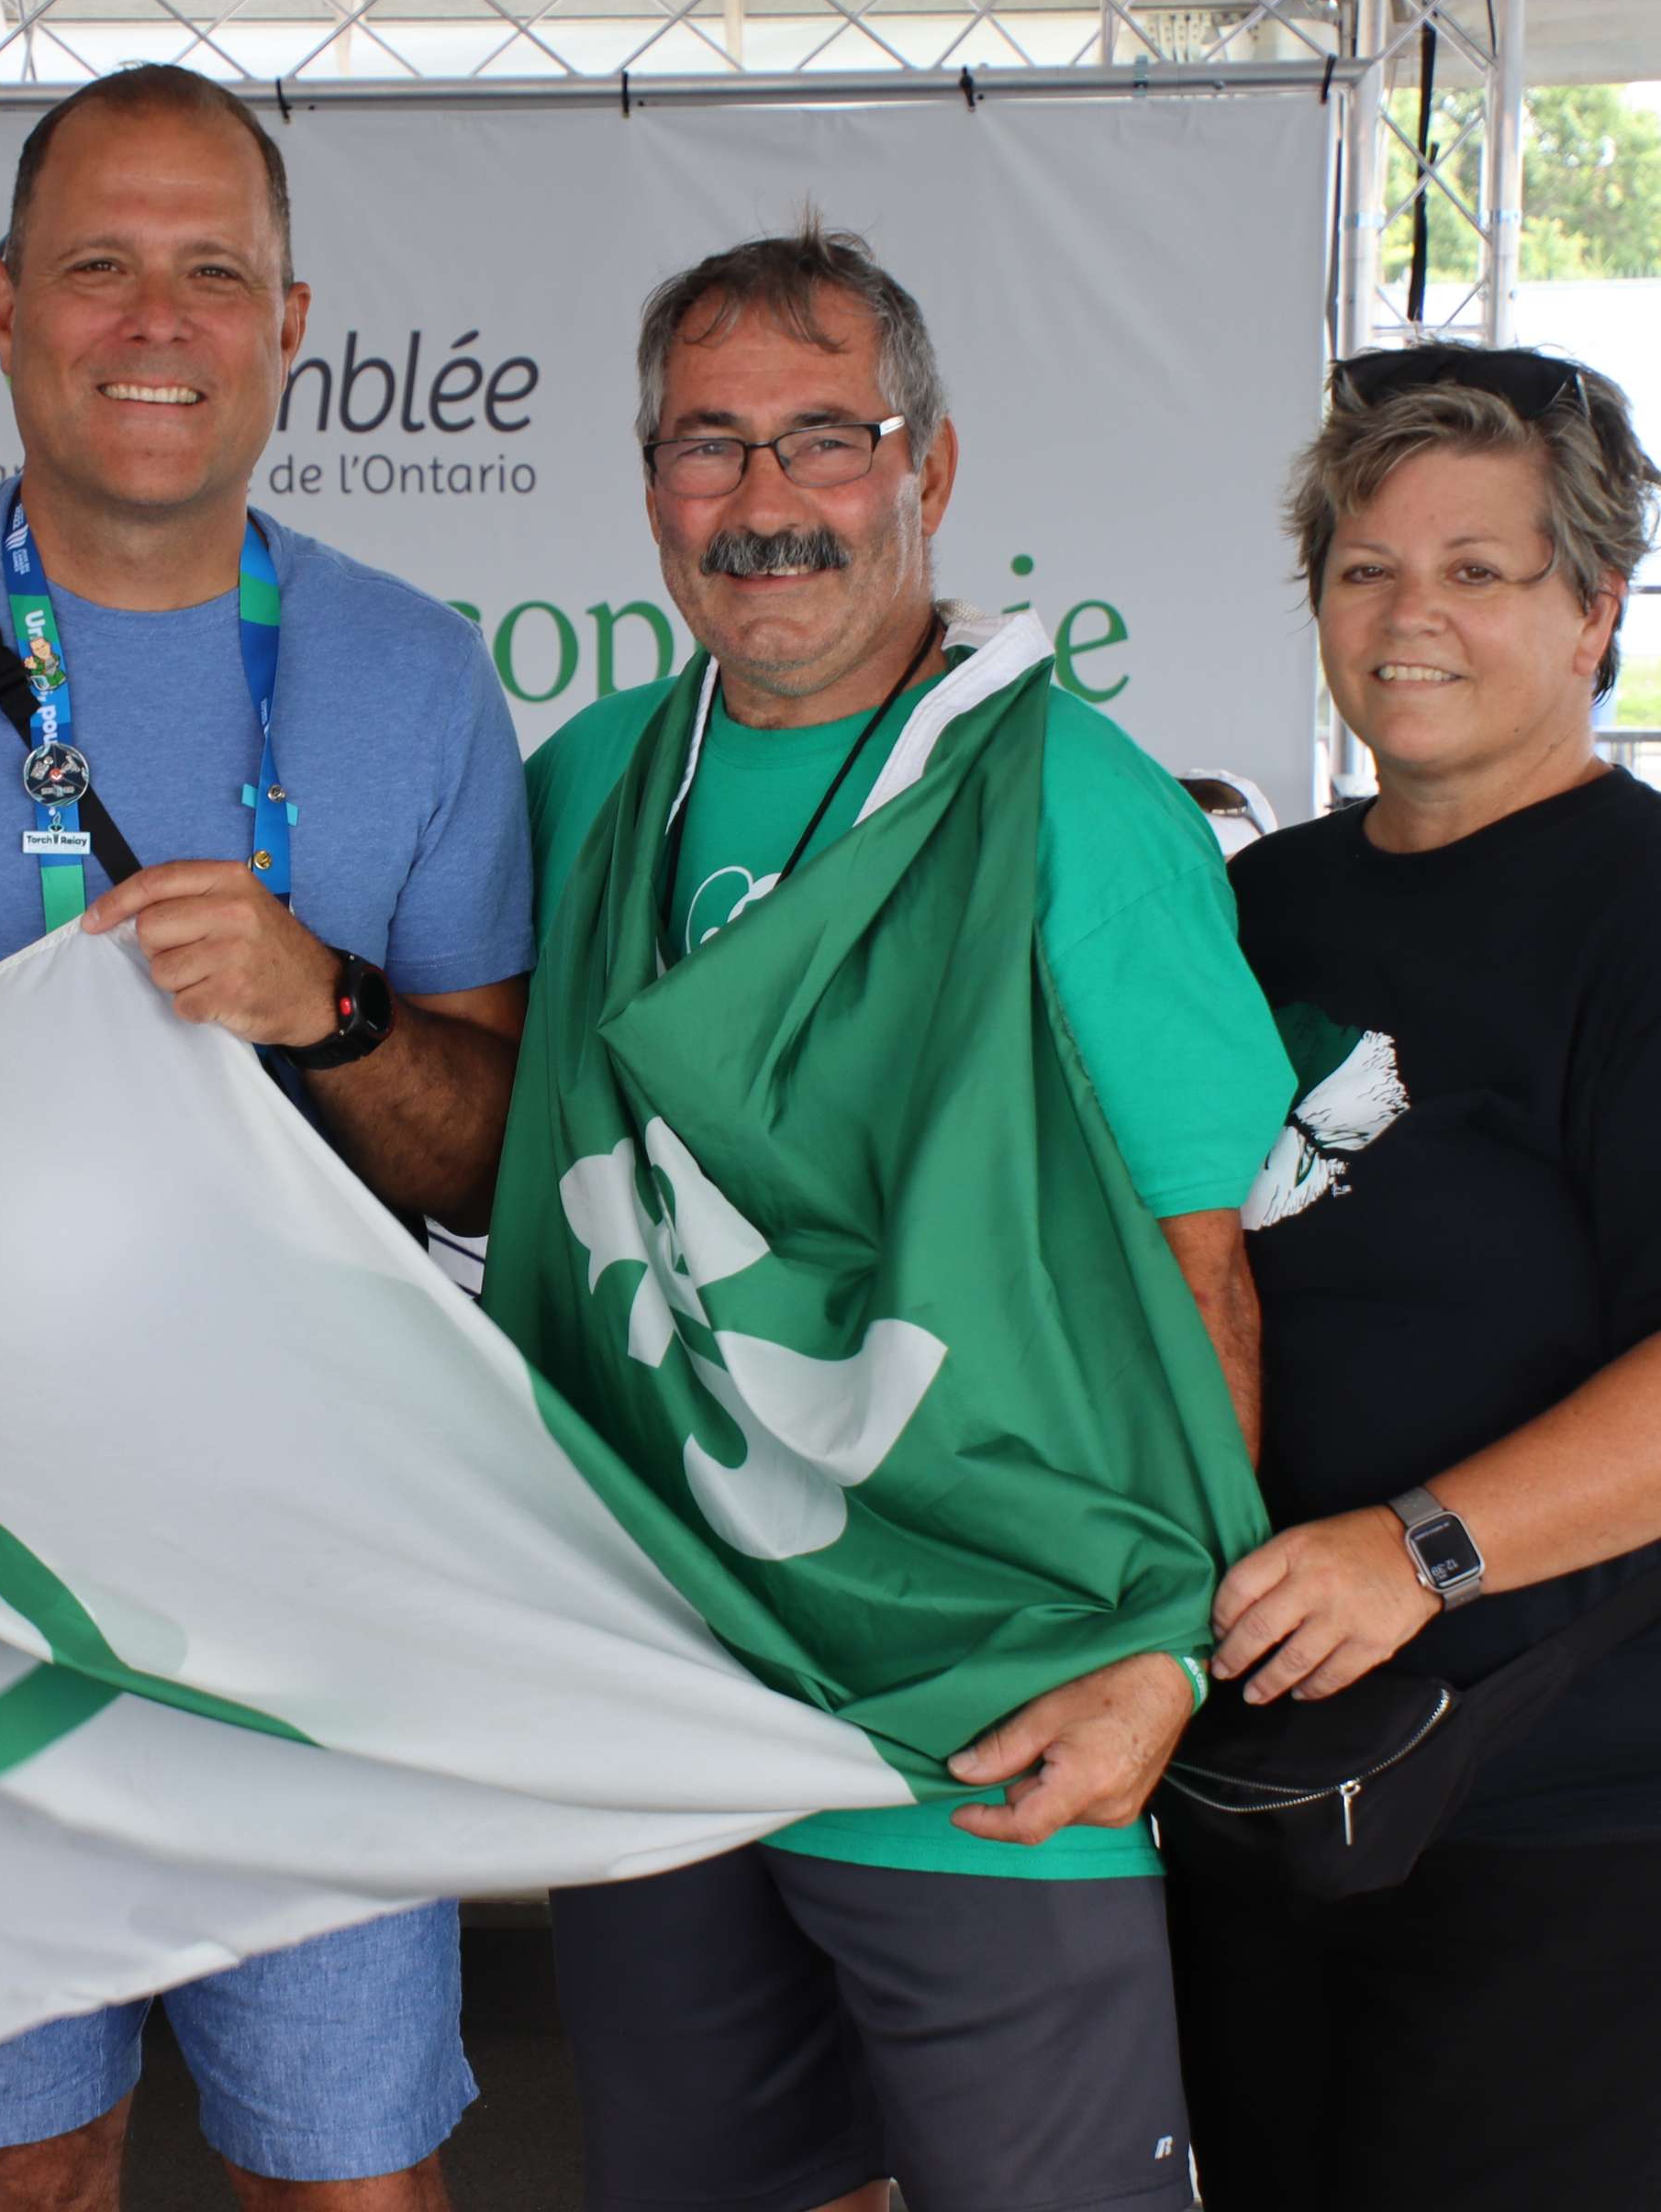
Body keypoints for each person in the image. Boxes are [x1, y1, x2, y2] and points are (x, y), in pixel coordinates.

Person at [0, 64, 528, 2212]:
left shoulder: (412, 672)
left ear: (290, 320)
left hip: (308, 1555)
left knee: (349, 2169)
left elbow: (487, 1153)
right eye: (100, 265)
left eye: (210, 271)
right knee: (20, 2167)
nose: (156, 318)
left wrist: (320, 1006)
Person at [495, 221, 1291, 2212]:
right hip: (675, 1678)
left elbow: (1205, 1270)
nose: (763, 501)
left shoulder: (1077, 804)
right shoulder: (593, 779)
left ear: (928, 471)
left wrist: (1179, 1662)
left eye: (823, 438)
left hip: (995, 1693)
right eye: (706, 444)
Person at [1176, 342, 1661, 2212]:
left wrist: (1414, 1544)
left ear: (1597, 611)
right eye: (1363, 566)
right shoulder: (1266, 906)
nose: (1409, 614)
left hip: (1604, 1773)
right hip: (1290, 1741)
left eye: (1478, 570)